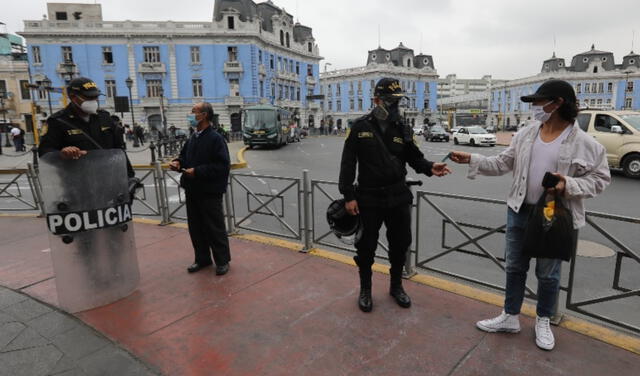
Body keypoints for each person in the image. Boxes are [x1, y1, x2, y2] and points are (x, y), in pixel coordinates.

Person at [449, 79, 611, 351]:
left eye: (539, 102)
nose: (535, 107)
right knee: (514, 267)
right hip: (519, 210)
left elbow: (600, 179)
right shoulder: (527, 133)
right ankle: (510, 316)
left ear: (557, 103)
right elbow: (503, 162)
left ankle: (543, 320)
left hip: (554, 215)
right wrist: (472, 159)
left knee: (548, 274)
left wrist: (568, 184)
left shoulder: (585, 143)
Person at [339, 77, 451, 313]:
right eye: (390, 101)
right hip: (368, 198)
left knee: (400, 245)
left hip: (398, 196)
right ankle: (366, 290)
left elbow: (414, 157)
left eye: (397, 101)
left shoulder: (402, 128)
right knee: (366, 247)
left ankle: (396, 286)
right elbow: (348, 164)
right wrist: (349, 196)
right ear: (377, 100)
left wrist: (430, 167)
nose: (394, 106)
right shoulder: (360, 127)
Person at [169, 102, 231, 276]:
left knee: (214, 227)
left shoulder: (216, 138)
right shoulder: (193, 138)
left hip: (210, 191)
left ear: (204, 115)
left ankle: (222, 260)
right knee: (195, 227)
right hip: (192, 189)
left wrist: (197, 171)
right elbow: (184, 156)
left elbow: (222, 166)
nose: (190, 114)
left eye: (193, 112)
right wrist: (178, 163)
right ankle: (202, 258)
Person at [38, 77, 134, 178]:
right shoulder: (57, 121)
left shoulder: (104, 117)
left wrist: (130, 177)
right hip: (76, 182)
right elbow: (44, 152)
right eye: (89, 97)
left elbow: (119, 150)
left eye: (96, 97)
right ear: (73, 97)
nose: (94, 101)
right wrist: (62, 154)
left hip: (107, 179)